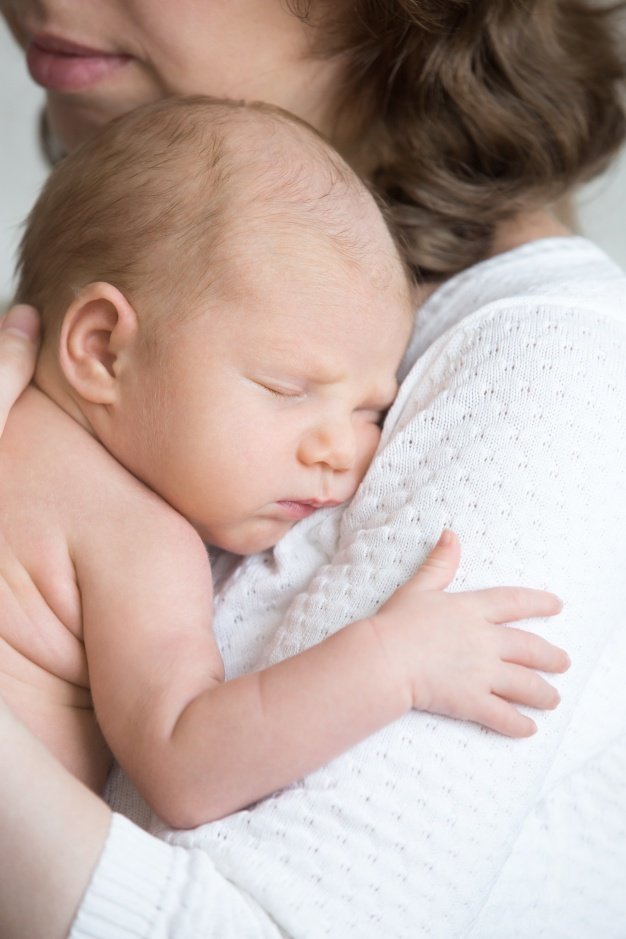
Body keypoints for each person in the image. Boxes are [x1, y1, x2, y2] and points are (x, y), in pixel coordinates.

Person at [0, 1, 625, 937]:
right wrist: (392, 658)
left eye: (373, 409)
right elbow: (186, 753)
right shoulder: (132, 514)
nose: (344, 450)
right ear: (104, 344)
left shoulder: (547, 366)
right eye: (286, 386)